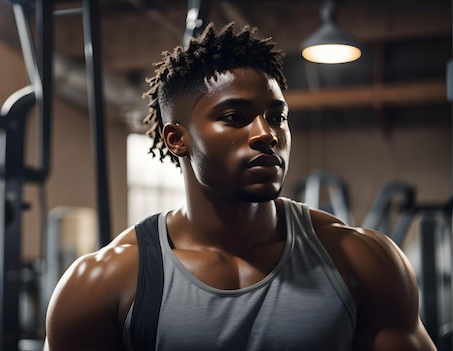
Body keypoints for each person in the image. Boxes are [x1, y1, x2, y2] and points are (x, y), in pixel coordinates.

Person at [44, 22, 436, 351]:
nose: (267, 134)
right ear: (176, 139)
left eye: (276, 116)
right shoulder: (104, 282)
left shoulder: (361, 259)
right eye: (235, 117)